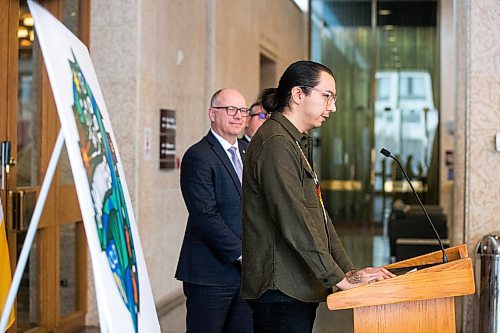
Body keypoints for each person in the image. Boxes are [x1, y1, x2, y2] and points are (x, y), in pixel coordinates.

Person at [241, 61, 395, 332]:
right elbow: (295, 219)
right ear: (298, 94)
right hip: (281, 289)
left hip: (297, 286)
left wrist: (347, 272)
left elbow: (318, 217)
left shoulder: (295, 141)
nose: (332, 107)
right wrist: (335, 276)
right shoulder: (276, 143)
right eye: (327, 96)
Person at [175, 88, 252, 333]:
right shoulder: (198, 156)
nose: (238, 115)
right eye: (230, 109)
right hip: (210, 274)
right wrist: (243, 255)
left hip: (247, 277)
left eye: (243, 110)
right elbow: (205, 215)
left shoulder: (247, 153)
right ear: (212, 113)